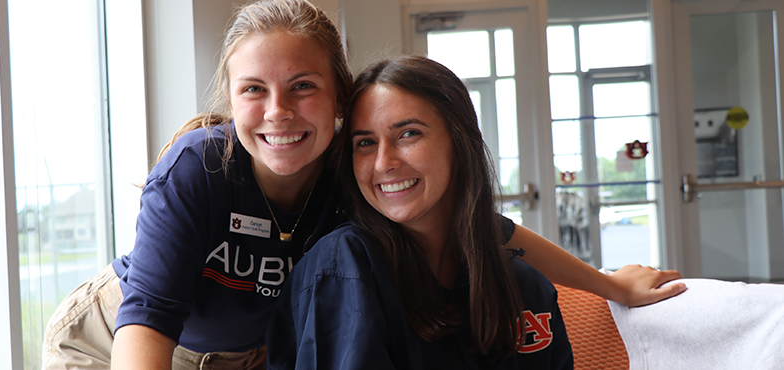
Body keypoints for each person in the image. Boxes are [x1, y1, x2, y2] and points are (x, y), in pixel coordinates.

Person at [42, 0, 682, 369]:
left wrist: (608, 286)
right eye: (253, 91)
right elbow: (147, 318)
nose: (279, 113)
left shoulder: (356, 173)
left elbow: (487, 227)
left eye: (303, 87)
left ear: (340, 98)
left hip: (240, 355)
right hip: (115, 343)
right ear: (230, 99)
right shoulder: (200, 169)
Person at [266, 55, 573, 369]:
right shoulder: (345, 266)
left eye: (408, 134)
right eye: (366, 143)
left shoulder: (526, 288)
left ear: (461, 141)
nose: (384, 162)